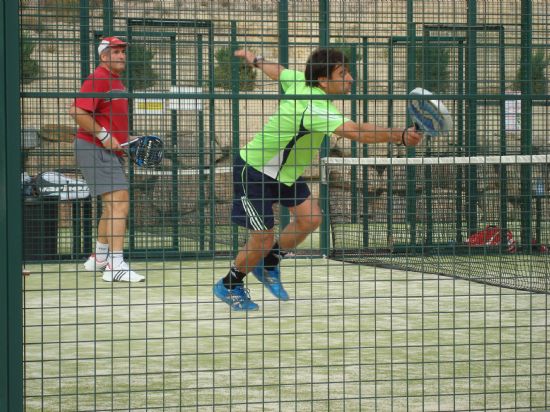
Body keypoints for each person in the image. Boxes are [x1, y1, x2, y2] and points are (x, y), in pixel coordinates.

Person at [213, 48, 423, 311]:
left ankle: (268, 265)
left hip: (285, 173)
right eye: (342, 73)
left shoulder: (301, 81)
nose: (350, 78)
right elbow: (354, 131)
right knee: (263, 237)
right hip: (254, 171)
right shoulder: (315, 107)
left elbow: (278, 72)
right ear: (323, 80)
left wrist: (256, 60)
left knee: (311, 218)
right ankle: (230, 284)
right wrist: (399, 135)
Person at [69, 36, 144, 282]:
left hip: (107, 148)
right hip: (94, 147)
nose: (122, 55)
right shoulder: (99, 78)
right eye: (116, 51)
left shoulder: (116, 81)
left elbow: (107, 119)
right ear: (104, 56)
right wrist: (103, 136)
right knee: (120, 203)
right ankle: (116, 265)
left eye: (123, 51)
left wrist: (126, 137)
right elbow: (77, 112)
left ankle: (99, 258)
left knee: (112, 205)